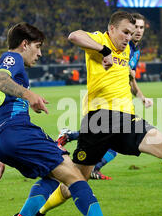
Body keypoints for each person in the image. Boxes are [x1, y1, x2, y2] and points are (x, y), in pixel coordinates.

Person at [16, 11, 162, 216]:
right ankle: (36, 212)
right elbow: (73, 36)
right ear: (111, 29)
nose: (128, 36)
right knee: (75, 180)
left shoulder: (127, 50)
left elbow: (126, 74)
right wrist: (103, 49)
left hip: (125, 119)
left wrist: (139, 93)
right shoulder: (99, 40)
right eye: (125, 32)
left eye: (132, 32)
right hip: (98, 120)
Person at [0, 22, 138, 216]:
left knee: (52, 174)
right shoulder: (10, 60)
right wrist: (29, 95)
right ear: (24, 44)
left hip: (0, 140)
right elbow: (1, 81)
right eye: (37, 46)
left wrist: (0, 154)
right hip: (18, 132)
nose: (40, 53)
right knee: (73, 174)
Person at [55, 13, 152, 182]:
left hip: (121, 106)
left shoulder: (132, 51)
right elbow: (75, 36)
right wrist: (104, 51)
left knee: (112, 142)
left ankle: (73, 141)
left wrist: (141, 97)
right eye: (134, 28)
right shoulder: (107, 42)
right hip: (101, 104)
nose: (137, 32)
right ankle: (61, 170)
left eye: (141, 28)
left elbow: (128, 78)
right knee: (108, 145)